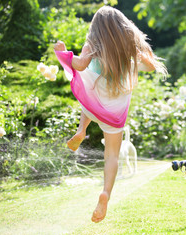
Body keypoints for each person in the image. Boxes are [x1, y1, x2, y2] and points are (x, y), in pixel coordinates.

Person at [54, 6, 167, 223]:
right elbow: (151, 67)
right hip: (115, 107)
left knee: (87, 90)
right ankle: (106, 192)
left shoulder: (93, 44)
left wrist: (63, 51)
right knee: (112, 155)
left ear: (96, 27)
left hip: (95, 98)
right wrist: (141, 48)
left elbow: (78, 64)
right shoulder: (129, 46)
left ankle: (82, 129)